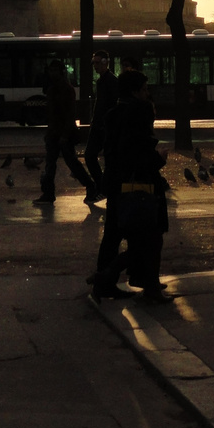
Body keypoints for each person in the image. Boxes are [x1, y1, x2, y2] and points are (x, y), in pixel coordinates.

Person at [90, 69, 171, 303]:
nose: (148, 93)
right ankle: (141, 283)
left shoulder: (114, 113)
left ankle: (108, 281)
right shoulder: (139, 112)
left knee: (115, 234)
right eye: (145, 89)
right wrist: (159, 159)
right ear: (136, 91)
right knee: (150, 235)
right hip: (139, 184)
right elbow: (139, 152)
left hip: (116, 182)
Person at [33, 60, 98, 205]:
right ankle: (88, 186)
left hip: (61, 133)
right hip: (57, 133)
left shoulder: (62, 89)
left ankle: (51, 193)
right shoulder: (57, 89)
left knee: (65, 163)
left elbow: (69, 114)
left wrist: (64, 134)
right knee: (62, 163)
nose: (53, 73)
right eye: (51, 70)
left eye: (55, 70)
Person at [83, 50, 120, 202]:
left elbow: (108, 105)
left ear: (105, 63)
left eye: (98, 63)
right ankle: (103, 187)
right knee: (95, 157)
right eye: (94, 63)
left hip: (102, 126)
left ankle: (102, 187)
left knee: (91, 156)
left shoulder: (109, 82)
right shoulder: (107, 81)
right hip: (101, 124)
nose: (95, 66)